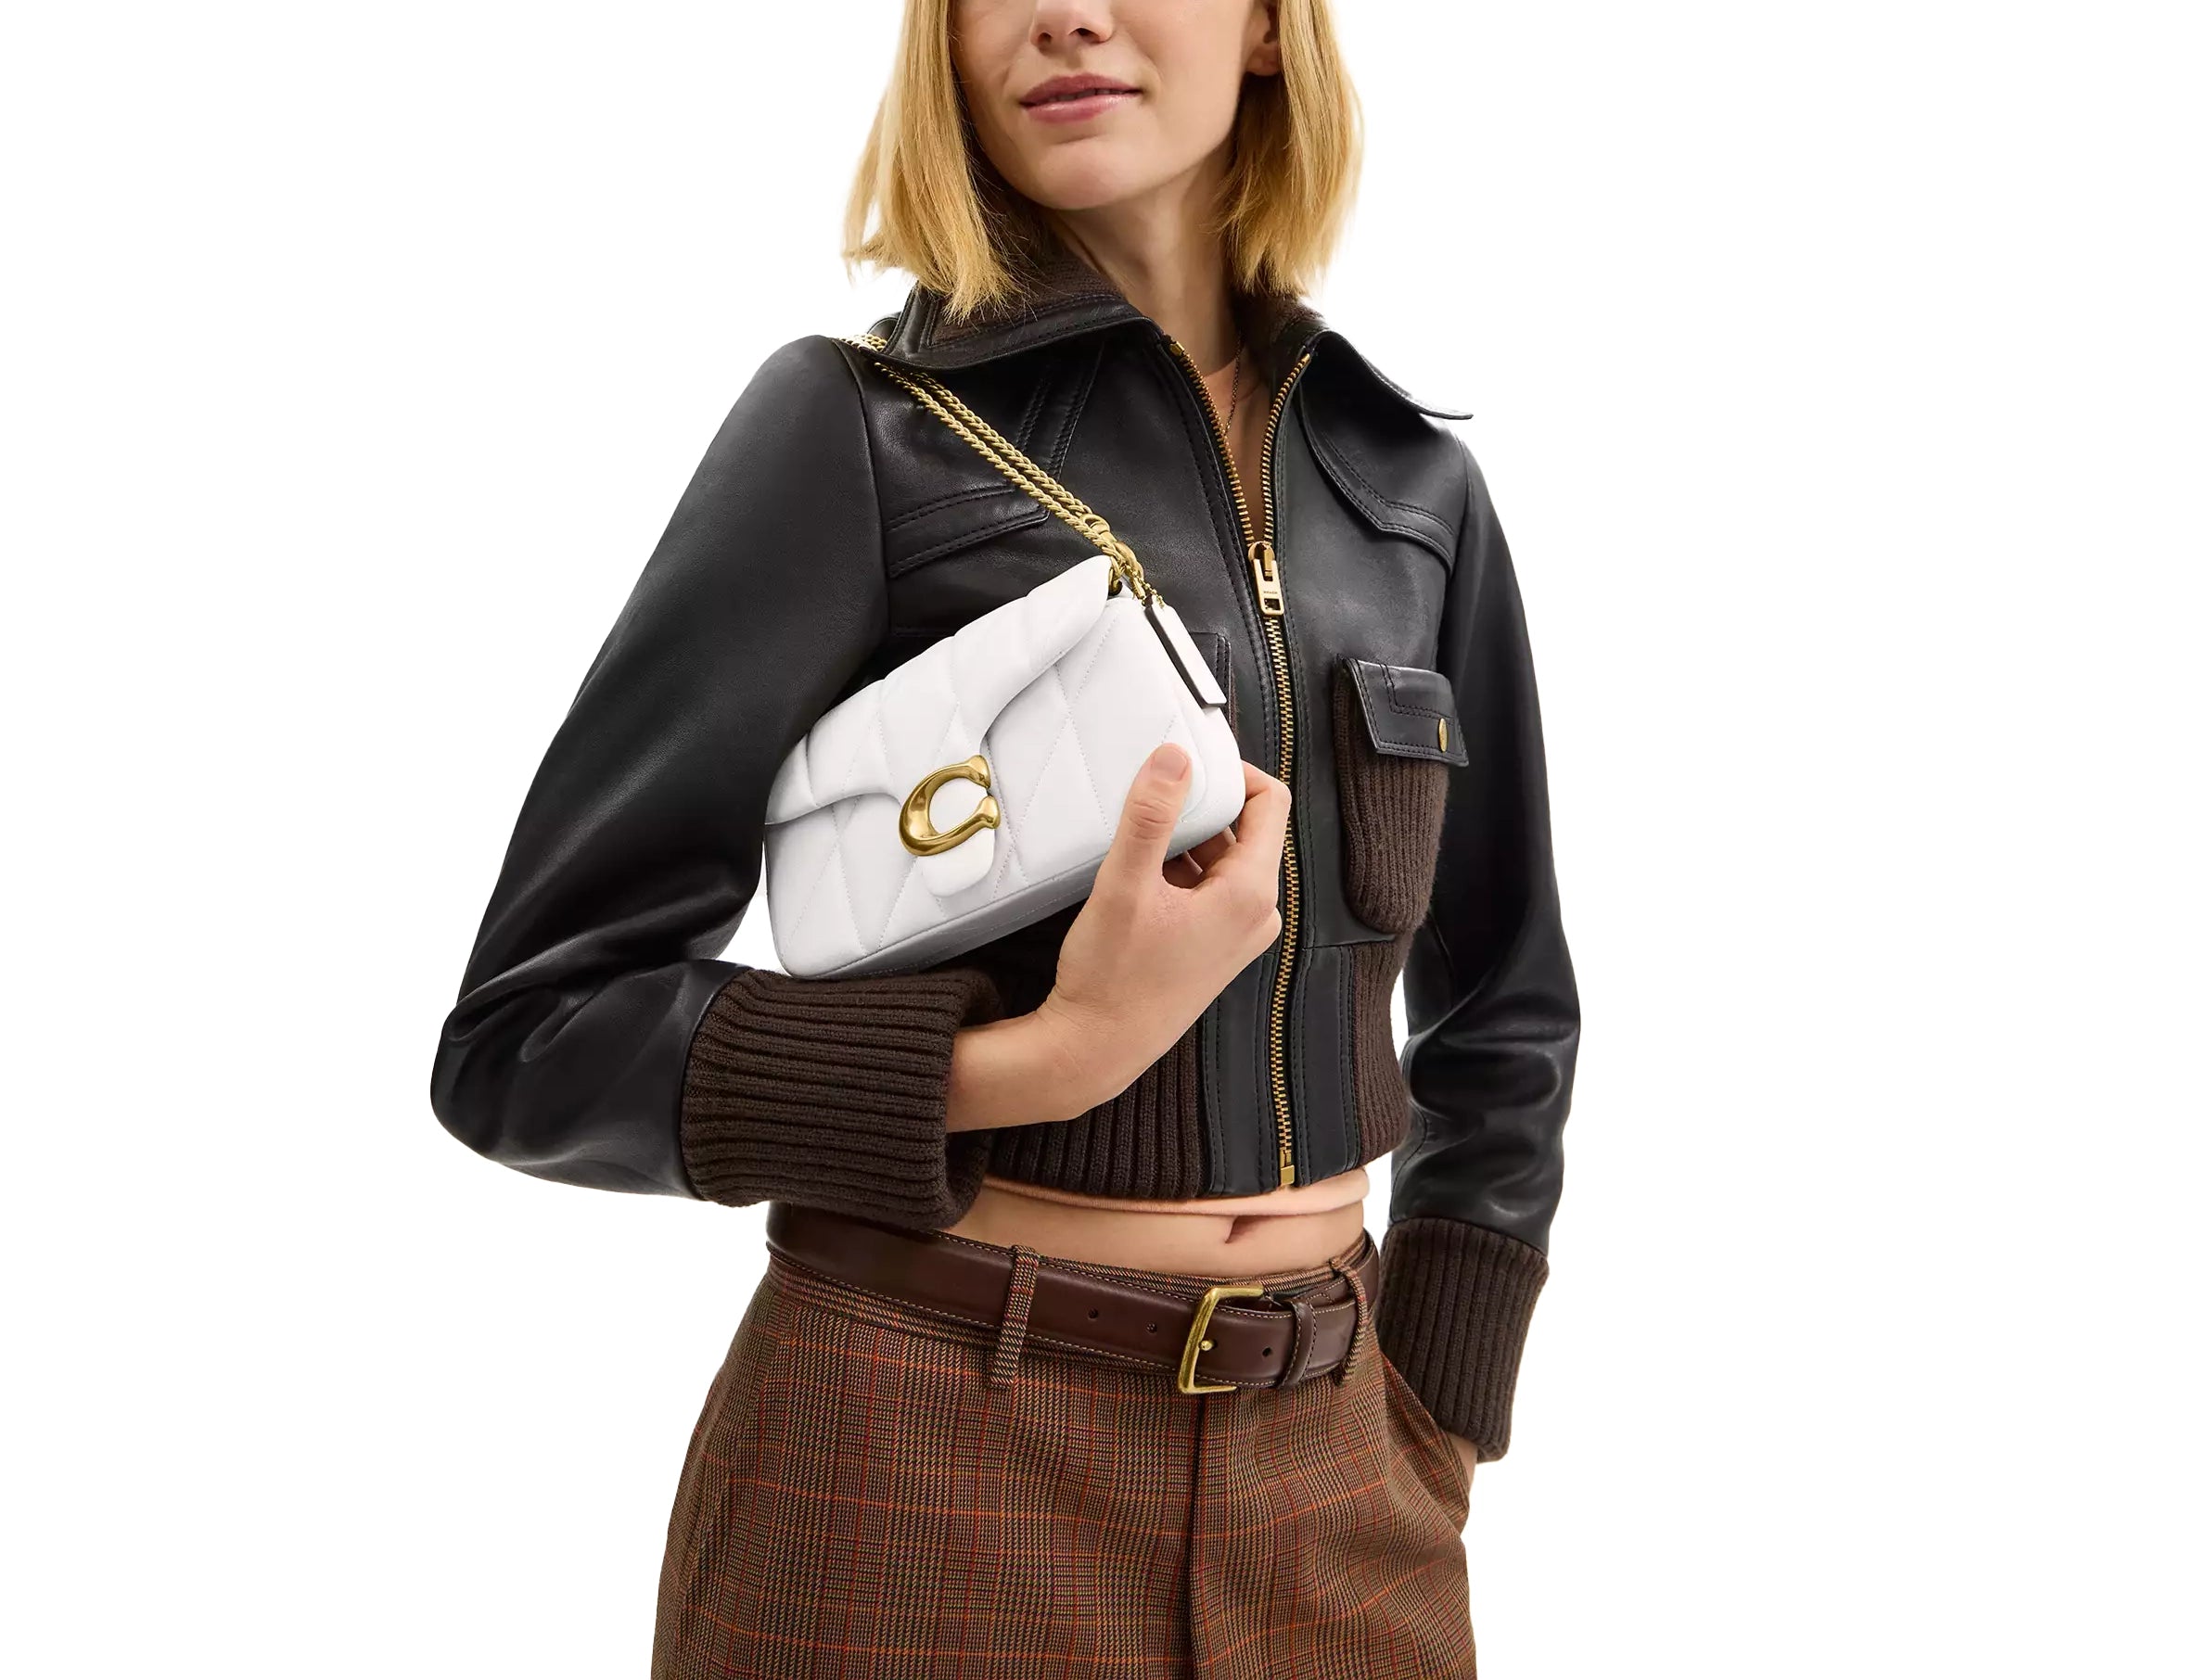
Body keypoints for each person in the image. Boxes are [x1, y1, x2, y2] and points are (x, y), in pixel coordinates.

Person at [429, 1, 1579, 1673]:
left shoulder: (1410, 486)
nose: (1064, 16)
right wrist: (1040, 1062)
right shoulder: (854, 428)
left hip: (1341, 1487)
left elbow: (1508, 1005)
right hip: (914, 1455)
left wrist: (1440, 1422)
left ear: (1270, 31)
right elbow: (531, 1034)